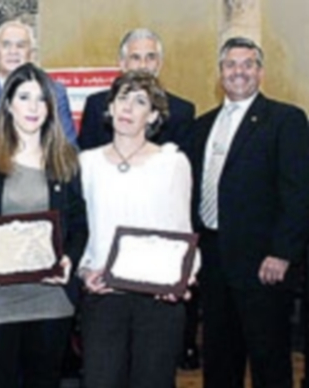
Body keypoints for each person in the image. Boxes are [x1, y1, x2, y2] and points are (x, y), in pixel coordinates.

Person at [76, 28, 200, 370]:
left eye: (140, 101)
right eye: (122, 99)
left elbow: (182, 227)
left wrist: (182, 277)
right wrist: (85, 272)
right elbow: (81, 231)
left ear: (155, 116)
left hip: (158, 297)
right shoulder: (86, 164)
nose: (128, 108)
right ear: (109, 107)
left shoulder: (173, 162)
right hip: (103, 294)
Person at [190, 37, 309, 388]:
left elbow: (298, 192)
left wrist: (282, 253)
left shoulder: (285, 120)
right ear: (220, 72)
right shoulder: (202, 125)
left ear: (260, 71)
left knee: (268, 359)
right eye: (230, 64)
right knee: (219, 359)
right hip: (212, 259)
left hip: (263, 265)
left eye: (247, 64)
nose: (238, 72)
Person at [0, 63, 86, 388]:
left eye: (42, 99)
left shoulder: (66, 158)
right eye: (24, 97)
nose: (33, 107)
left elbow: (80, 222)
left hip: (49, 297)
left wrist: (69, 257)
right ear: (8, 104)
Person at [0, 19, 77, 191]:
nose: (13, 51)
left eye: (21, 46)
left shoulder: (55, 93)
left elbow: (68, 150)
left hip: (44, 195)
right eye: (6, 45)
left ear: (32, 55)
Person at [78, 28, 195, 153]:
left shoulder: (181, 112)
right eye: (135, 58)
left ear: (159, 64)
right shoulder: (97, 106)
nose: (143, 65)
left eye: (151, 57)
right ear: (123, 64)